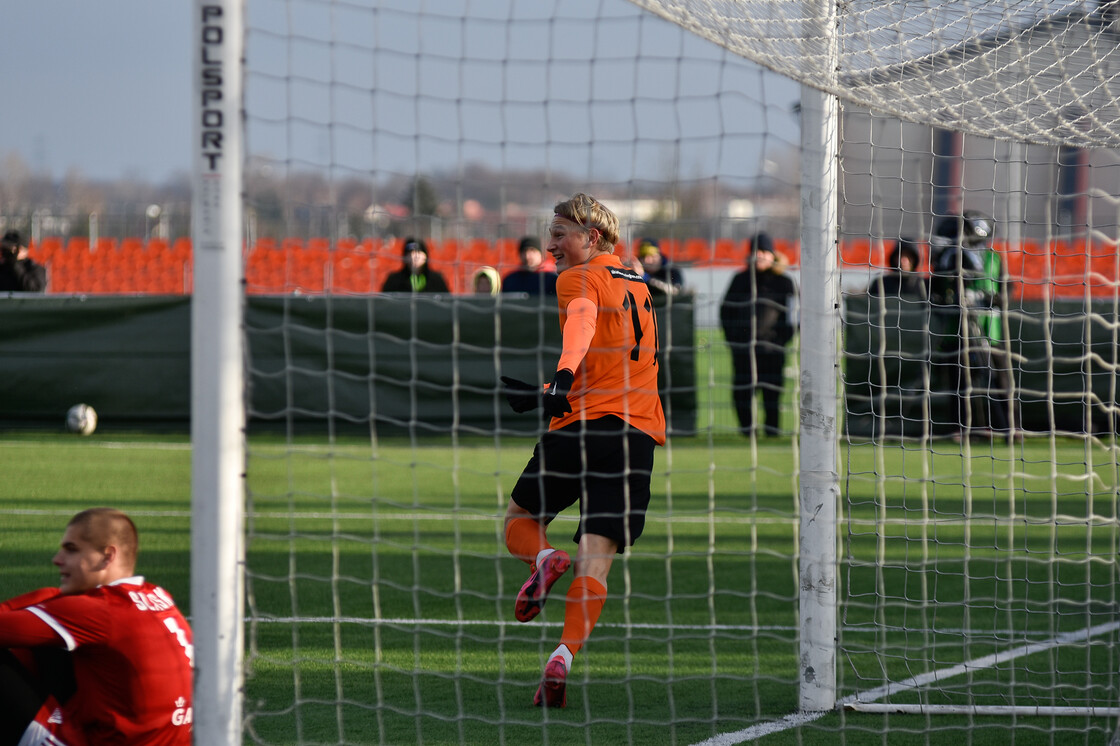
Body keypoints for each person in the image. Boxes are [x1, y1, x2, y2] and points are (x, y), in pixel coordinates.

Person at [497, 193, 665, 709]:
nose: (551, 245)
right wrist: (558, 381)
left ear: (592, 238)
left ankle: (545, 557)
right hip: (633, 436)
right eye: (550, 233)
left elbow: (583, 320)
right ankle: (564, 655)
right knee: (596, 562)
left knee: (518, 519)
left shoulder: (575, 278)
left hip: (579, 426)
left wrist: (562, 378)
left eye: (560, 234)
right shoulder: (637, 281)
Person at [0, 507, 193, 745]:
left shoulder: (100, 611)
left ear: (107, 556)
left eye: (71, 550)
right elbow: (53, 598)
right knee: (49, 639)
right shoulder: (158, 596)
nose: (57, 559)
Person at [929, 211, 1016, 440]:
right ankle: (962, 428)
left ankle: (1007, 427)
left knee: (999, 379)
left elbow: (1007, 288)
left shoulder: (993, 257)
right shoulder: (950, 256)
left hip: (990, 330)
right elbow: (936, 287)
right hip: (957, 330)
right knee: (960, 381)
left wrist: (996, 298)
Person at [719, 232, 797, 437]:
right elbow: (725, 311)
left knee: (772, 395)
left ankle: (772, 433)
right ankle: (747, 433)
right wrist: (733, 340)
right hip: (743, 350)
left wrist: (780, 340)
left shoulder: (784, 282)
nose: (760, 256)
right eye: (756, 252)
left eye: (764, 252)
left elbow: (794, 317)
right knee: (742, 394)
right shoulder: (739, 280)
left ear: (773, 255)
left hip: (772, 351)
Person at [380, 237, 450, 293]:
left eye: (419, 252)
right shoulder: (394, 280)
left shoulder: (436, 280)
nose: (414, 256)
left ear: (426, 256)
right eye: (410, 253)